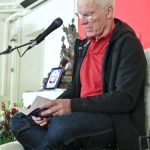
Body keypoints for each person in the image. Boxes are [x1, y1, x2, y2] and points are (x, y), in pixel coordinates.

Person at [10, 0, 147, 149]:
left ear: (108, 12)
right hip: (80, 115)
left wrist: (71, 106)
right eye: (79, 15)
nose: (82, 22)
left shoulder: (128, 44)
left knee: (61, 127)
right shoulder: (84, 46)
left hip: (112, 119)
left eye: (88, 15)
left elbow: (124, 98)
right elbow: (74, 90)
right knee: (20, 120)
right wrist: (50, 108)